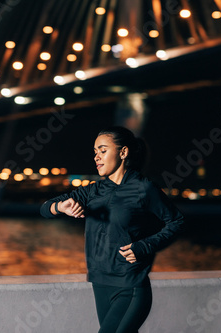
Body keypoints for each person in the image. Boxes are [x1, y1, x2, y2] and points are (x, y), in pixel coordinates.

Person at [40, 126, 184, 333]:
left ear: (123, 153)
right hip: (100, 282)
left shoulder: (143, 188)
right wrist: (60, 207)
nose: (97, 157)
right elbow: (45, 209)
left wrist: (143, 247)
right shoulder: (93, 190)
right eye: (95, 152)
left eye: (103, 150)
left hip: (130, 285)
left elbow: (176, 221)